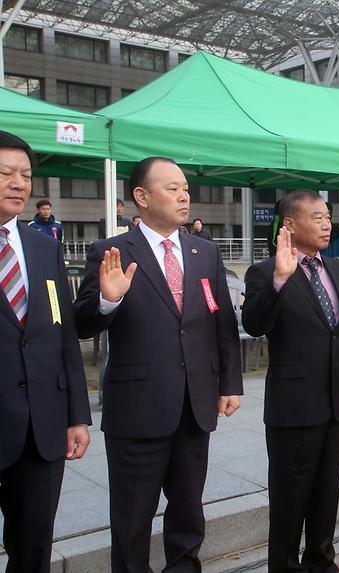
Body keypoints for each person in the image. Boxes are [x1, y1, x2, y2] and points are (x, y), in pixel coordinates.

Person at [74, 156, 243, 572]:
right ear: (141, 197)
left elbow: (221, 321)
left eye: (185, 187)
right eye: (172, 188)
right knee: (132, 520)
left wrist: (230, 383)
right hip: (137, 408)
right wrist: (108, 299)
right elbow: (80, 324)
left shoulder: (204, 251)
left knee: (188, 514)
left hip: (194, 405)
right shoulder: (110, 251)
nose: (184, 194)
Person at [242, 190, 339, 572]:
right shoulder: (266, 271)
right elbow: (254, 324)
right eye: (317, 217)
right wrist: (280, 280)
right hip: (293, 407)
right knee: (290, 498)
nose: (326, 223)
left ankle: (321, 561)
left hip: (334, 402)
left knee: (326, 495)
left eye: (327, 216)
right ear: (291, 225)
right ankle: (283, 566)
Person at [0, 131, 91, 573]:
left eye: (26, 175)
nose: (19, 183)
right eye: (5, 173)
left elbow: (63, 334)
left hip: (43, 428)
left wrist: (76, 414)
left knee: (33, 549)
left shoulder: (43, 246)